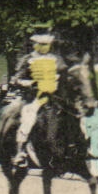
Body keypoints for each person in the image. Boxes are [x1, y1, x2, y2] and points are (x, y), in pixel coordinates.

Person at [10, 27, 68, 168]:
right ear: (35, 44)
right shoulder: (28, 59)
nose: (43, 47)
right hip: (35, 97)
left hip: (56, 96)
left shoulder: (57, 59)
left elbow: (65, 76)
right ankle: (20, 152)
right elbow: (15, 79)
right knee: (28, 119)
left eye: (46, 44)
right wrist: (29, 83)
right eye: (40, 44)